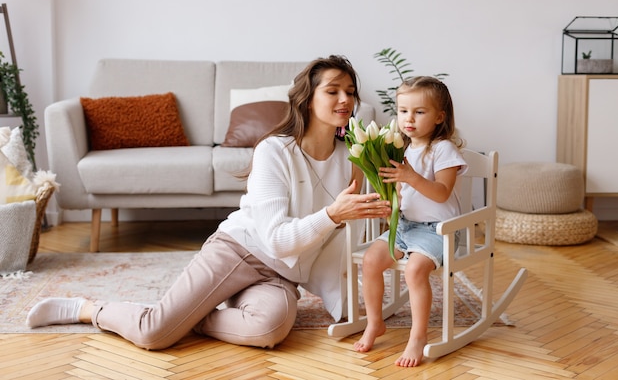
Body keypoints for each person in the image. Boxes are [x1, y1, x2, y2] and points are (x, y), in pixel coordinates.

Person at [26, 55, 391, 350]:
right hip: (240, 250)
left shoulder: (354, 157)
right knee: (154, 333)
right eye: (333, 91)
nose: (345, 99)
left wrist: (343, 300)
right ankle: (88, 309)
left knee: (271, 329)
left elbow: (339, 239)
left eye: (350, 91)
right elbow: (278, 239)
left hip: (282, 272)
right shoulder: (274, 151)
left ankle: (191, 315)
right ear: (308, 99)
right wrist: (331, 214)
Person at [353, 76, 467, 367]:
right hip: (404, 227)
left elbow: (441, 194)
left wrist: (411, 176)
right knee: (370, 261)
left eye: (419, 111)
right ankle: (375, 322)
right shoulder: (397, 149)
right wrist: (388, 202)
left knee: (415, 270)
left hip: (437, 231)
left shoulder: (442, 150)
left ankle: (418, 336)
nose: (409, 119)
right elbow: (400, 194)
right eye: (403, 111)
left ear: (439, 117)